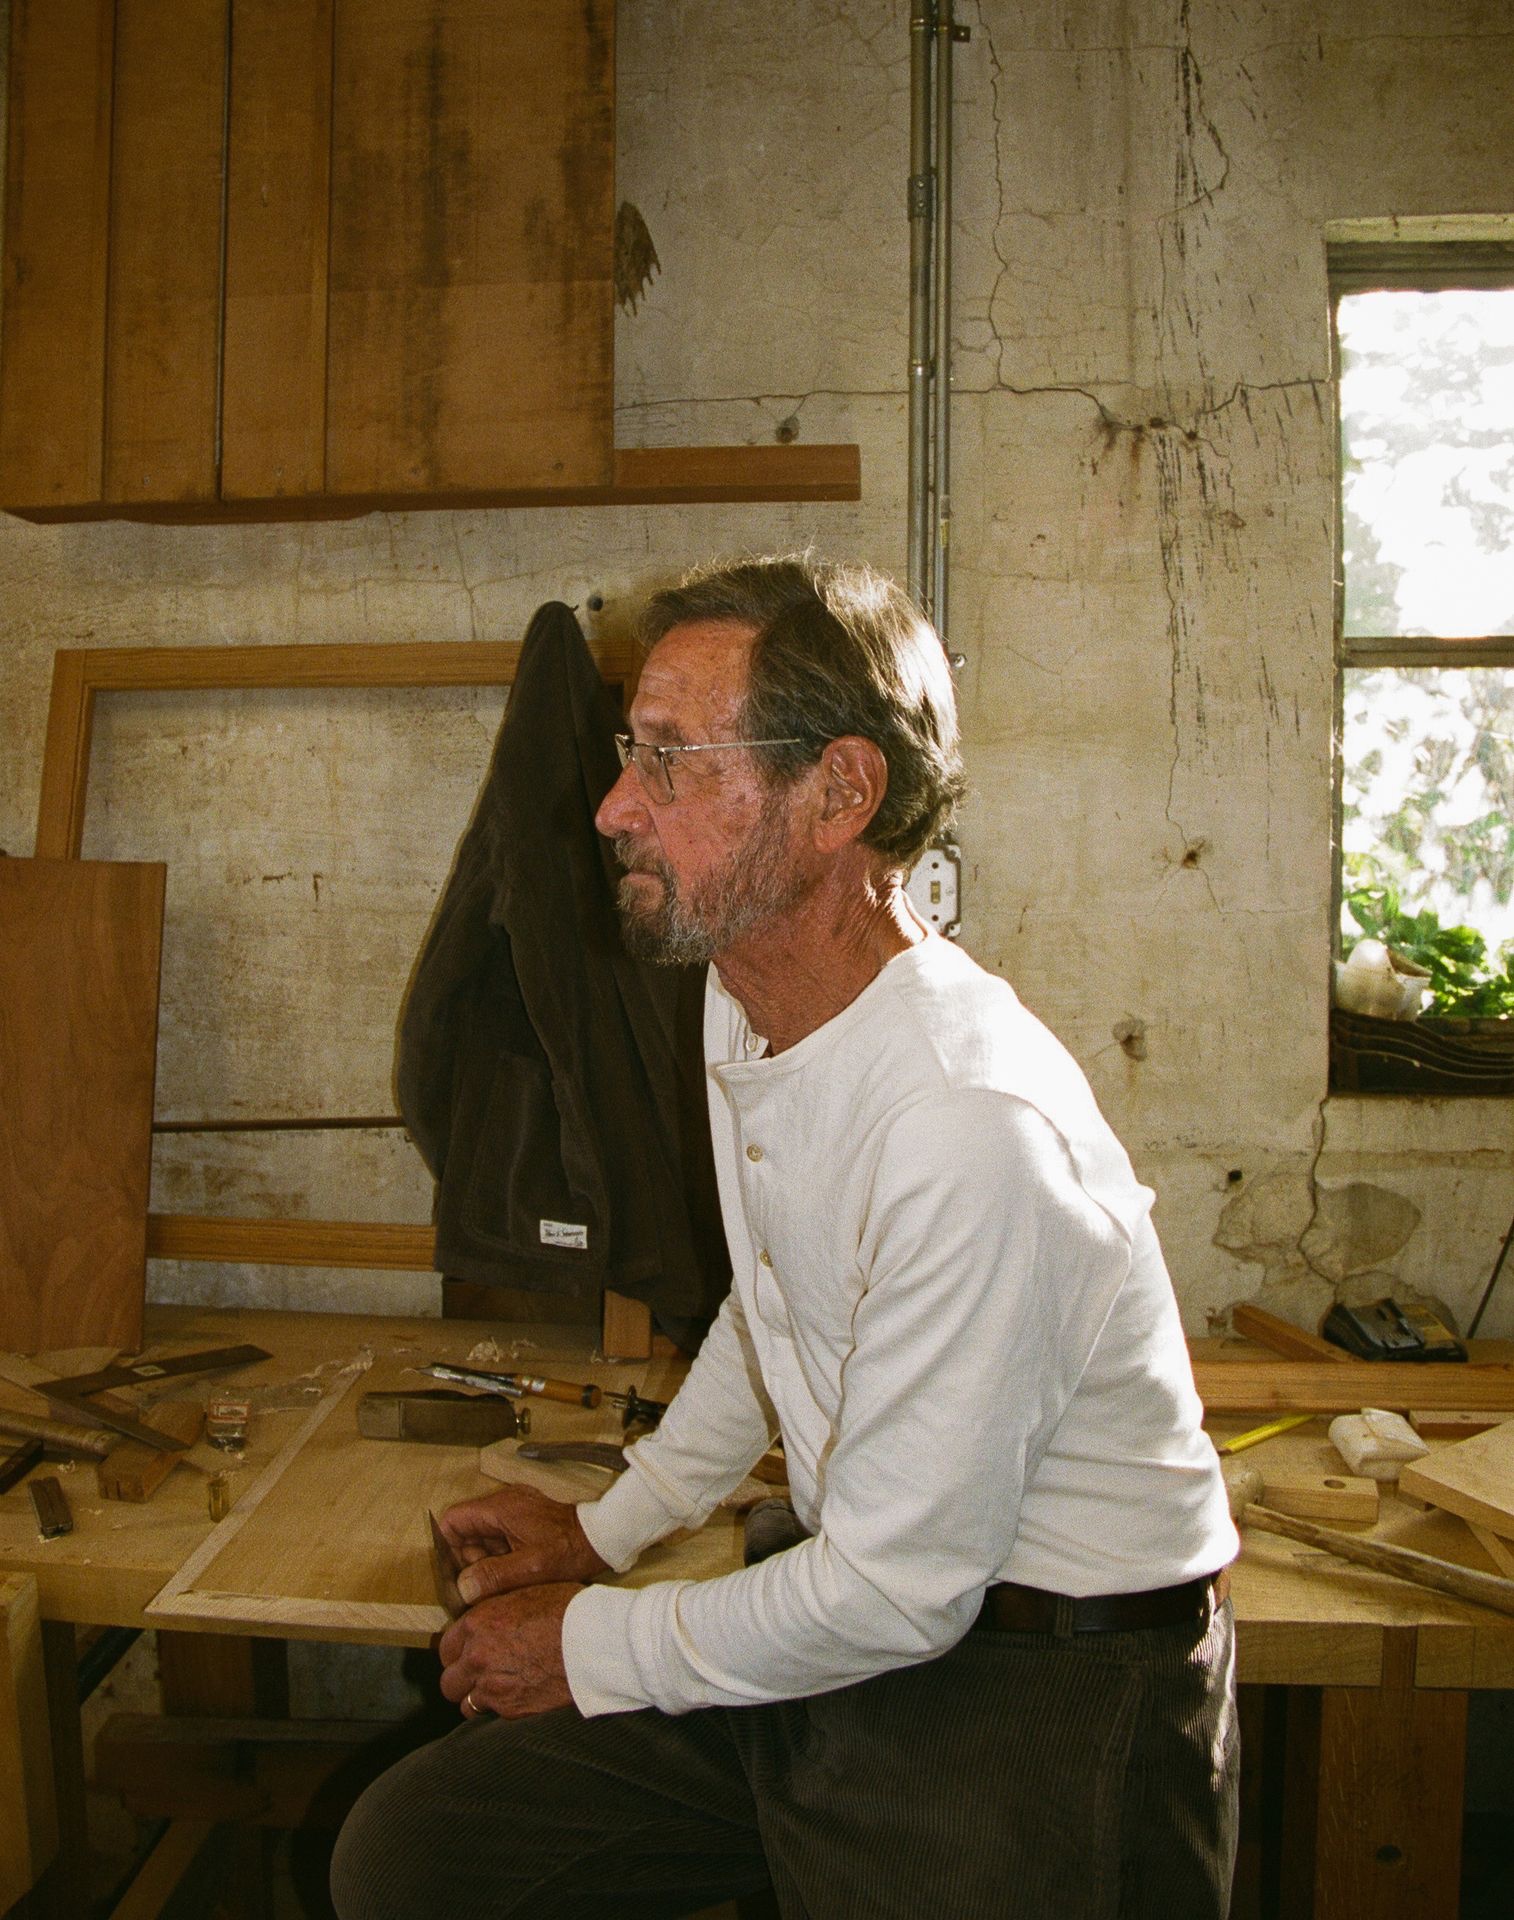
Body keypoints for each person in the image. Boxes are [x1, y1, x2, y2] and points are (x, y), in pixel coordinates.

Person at [331, 555, 1240, 1920]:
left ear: (838, 795)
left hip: (1041, 1692)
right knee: (416, 1855)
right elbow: (774, 1303)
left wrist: (588, 1641)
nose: (608, 808)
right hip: (865, 1618)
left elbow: (896, 1596)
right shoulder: (744, 994)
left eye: (670, 763)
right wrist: (611, 1527)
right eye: (628, 756)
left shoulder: (964, 1121)